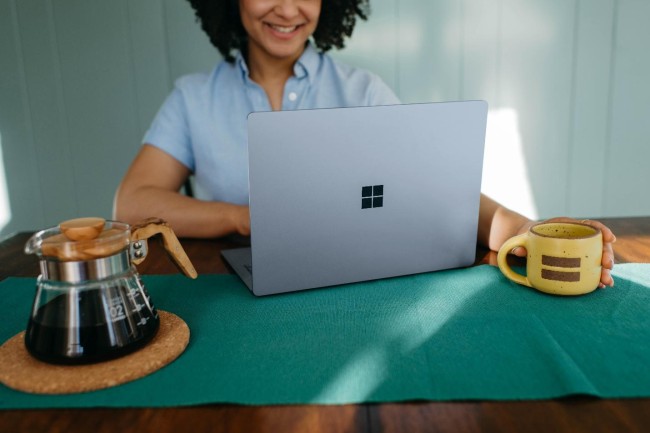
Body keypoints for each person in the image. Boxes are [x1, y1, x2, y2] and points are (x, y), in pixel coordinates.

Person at [113, 0, 616, 288]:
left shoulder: (364, 91)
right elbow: (133, 203)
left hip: (357, 287)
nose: (287, 8)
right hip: (232, 292)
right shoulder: (193, 98)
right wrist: (244, 217)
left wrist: (530, 232)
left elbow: (437, 193)